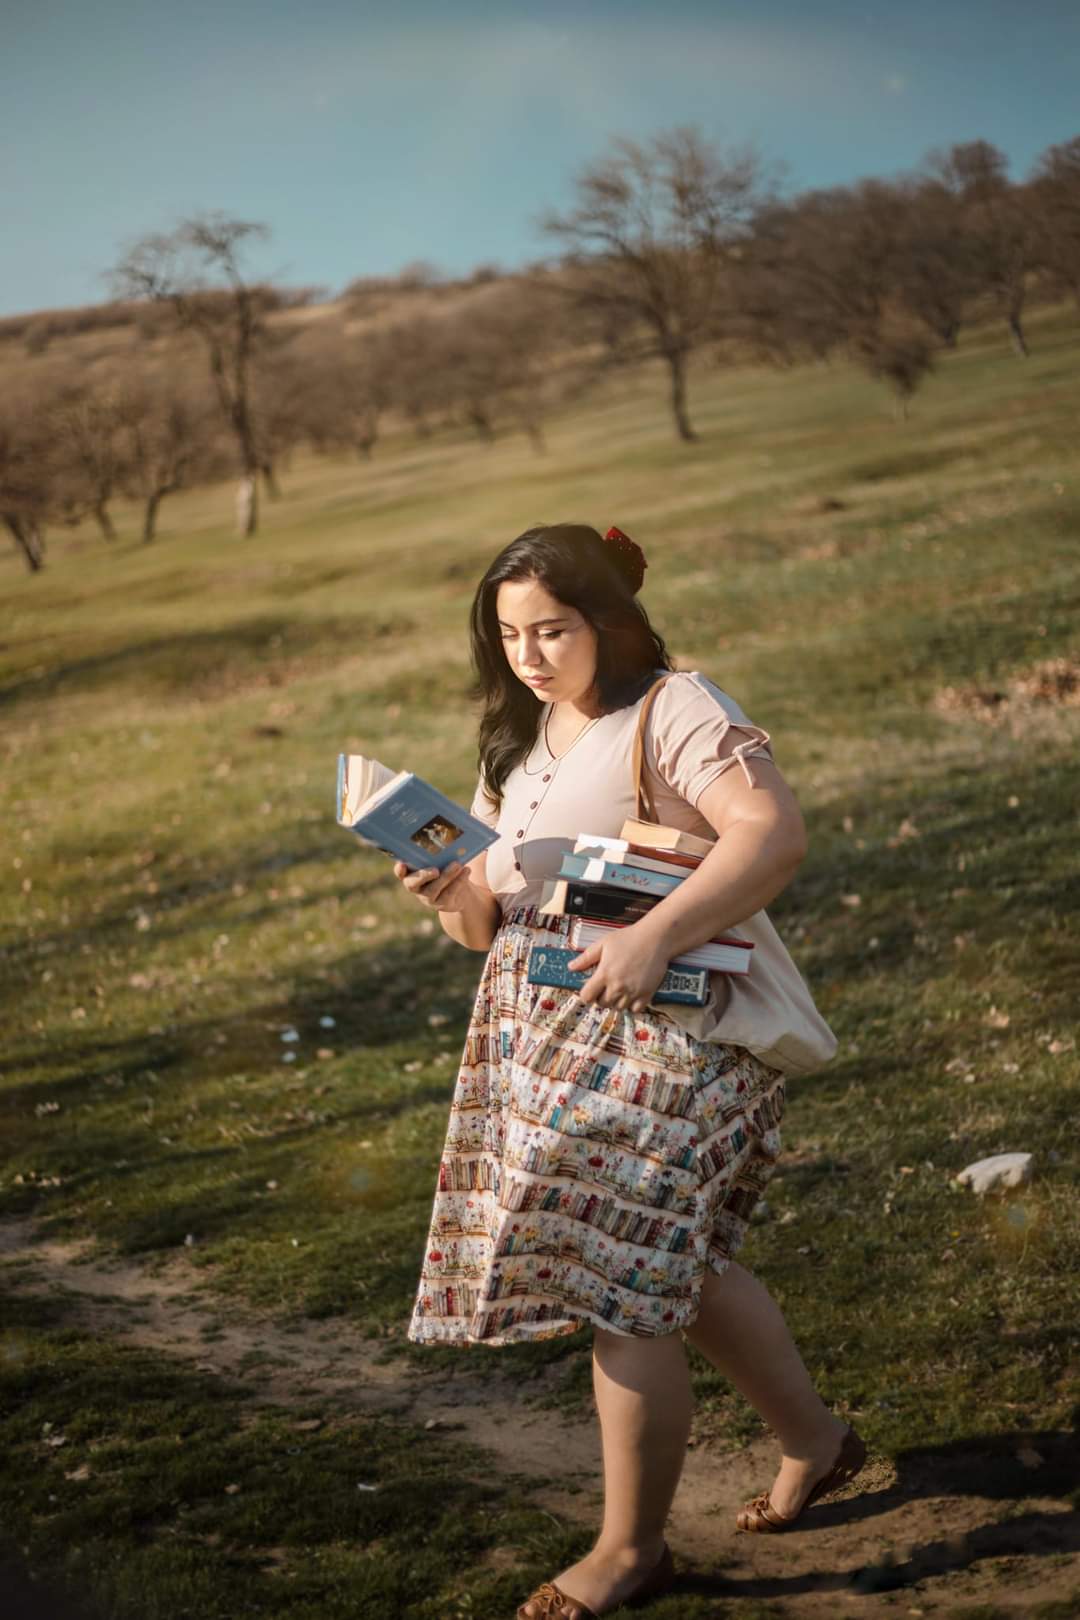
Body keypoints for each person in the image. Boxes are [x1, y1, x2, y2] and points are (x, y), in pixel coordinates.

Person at [393, 523, 865, 1620]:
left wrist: (653, 938)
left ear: (607, 617)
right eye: (508, 634)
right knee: (674, 1266)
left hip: (675, 1039)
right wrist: (453, 896)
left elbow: (772, 835)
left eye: (550, 629)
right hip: (545, 1036)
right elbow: (489, 924)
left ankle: (629, 1551)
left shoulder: (679, 707)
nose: (529, 655)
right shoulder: (519, 737)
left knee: (626, 1290)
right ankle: (817, 1442)